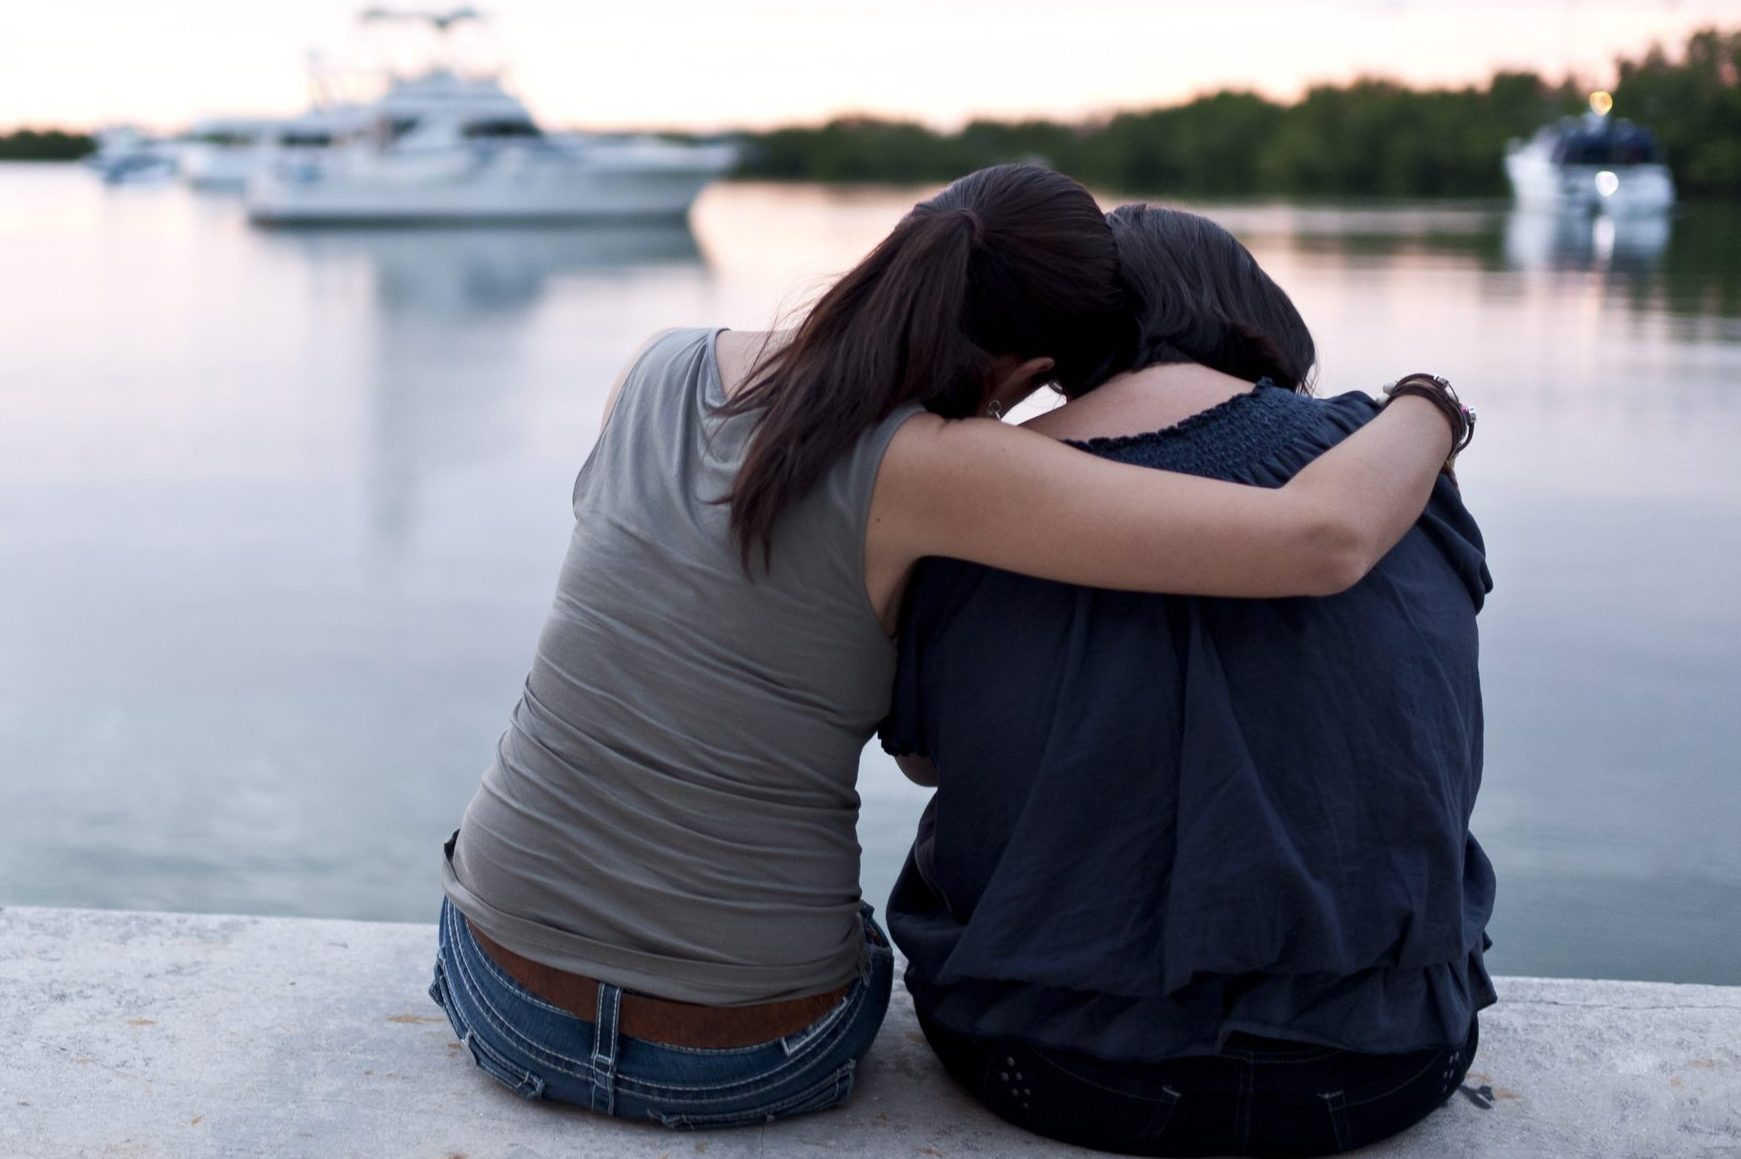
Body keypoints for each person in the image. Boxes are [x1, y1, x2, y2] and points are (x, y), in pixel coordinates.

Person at [427, 166, 1471, 1130]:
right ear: (1028, 368)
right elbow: (1320, 538)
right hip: (745, 1049)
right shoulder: (943, 470)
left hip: (496, 980)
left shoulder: (655, 366)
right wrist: (1424, 406)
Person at [880, 203, 1491, 1157]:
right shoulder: (1386, 472)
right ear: (1250, 309)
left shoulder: (966, 495)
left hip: (1053, 1063)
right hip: (1392, 1062)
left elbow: (925, 760)